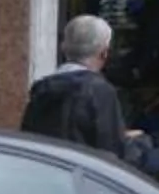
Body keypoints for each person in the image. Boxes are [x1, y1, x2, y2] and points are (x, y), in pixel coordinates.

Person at [19, 14, 133, 158]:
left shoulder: (42, 89)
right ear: (104, 53)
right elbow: (111, 153)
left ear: (63, 47)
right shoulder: (101, 92)